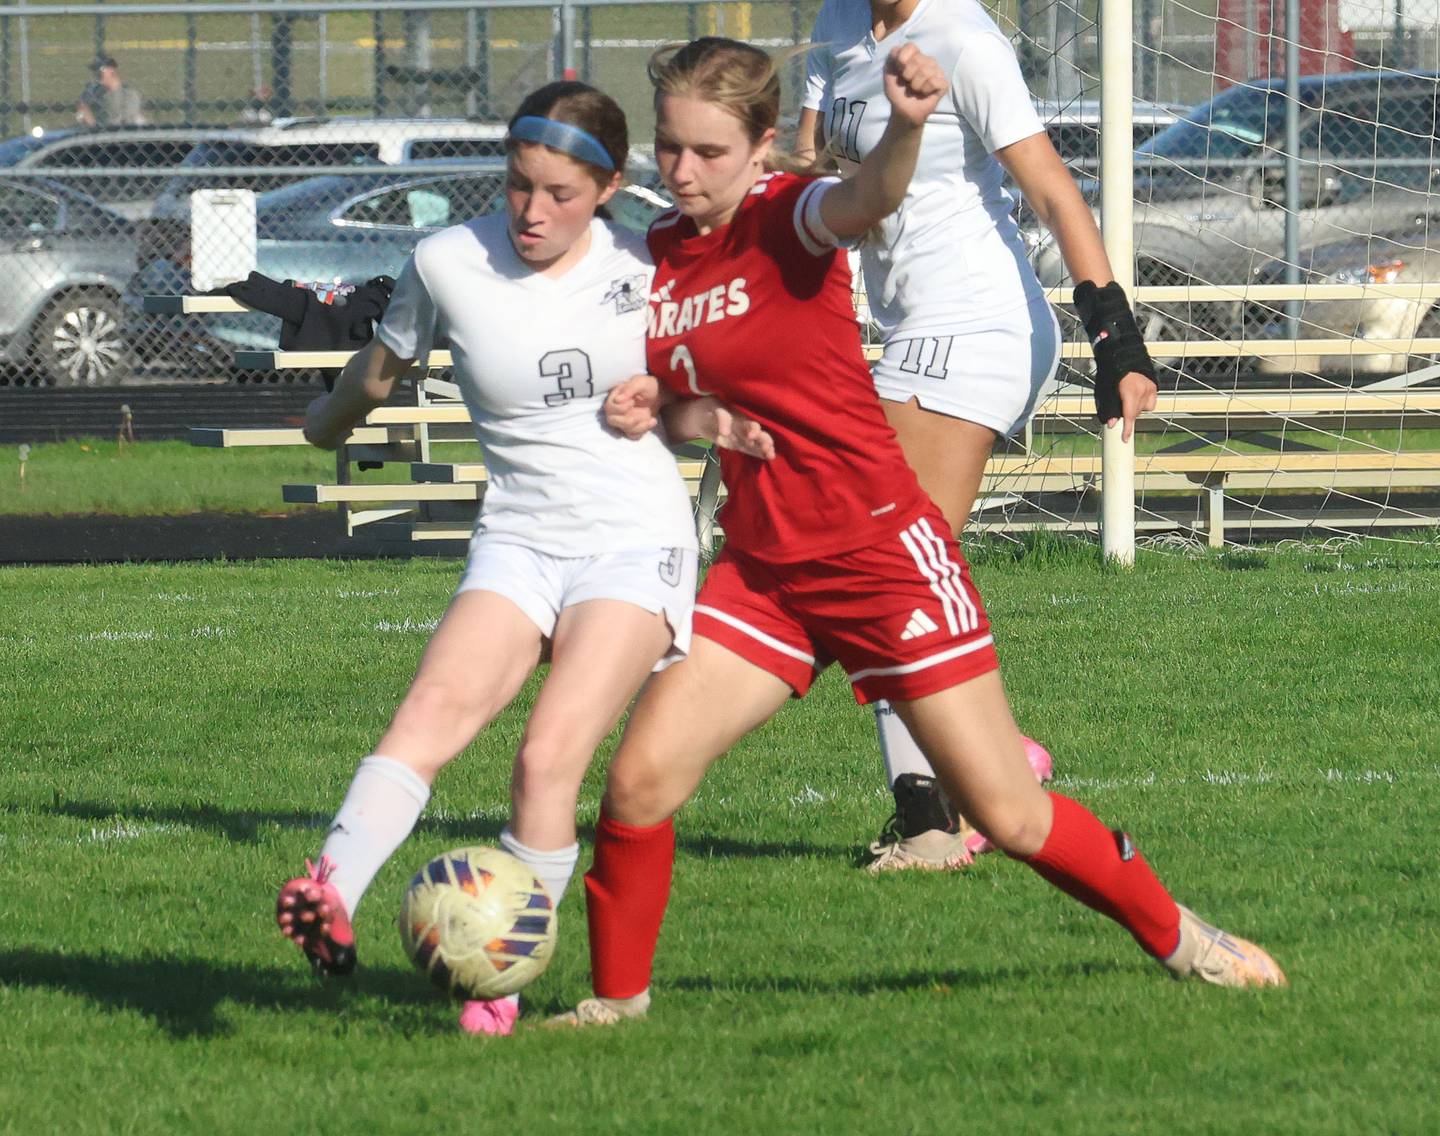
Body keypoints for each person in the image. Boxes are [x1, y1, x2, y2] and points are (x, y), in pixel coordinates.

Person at [552, 36, 1284, 1028]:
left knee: (1006, 812)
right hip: (765, 572)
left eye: (709, 152)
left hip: (882, 557)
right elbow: (677, 402)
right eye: (670, 149)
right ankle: (615, 1005)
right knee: (639, 780)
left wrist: (903, 124)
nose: (683, 172)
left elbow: (867, 201)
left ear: (765, 147)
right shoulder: (661, 264)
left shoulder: (788, 218)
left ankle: (1185, 938)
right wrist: (674, 413)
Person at [272, 79, 771, 1037]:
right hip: (519, 536)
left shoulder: (656, 259)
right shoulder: (449, 262)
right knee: (430, 710)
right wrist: (324, 424)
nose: (534, 212)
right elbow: (380, 370)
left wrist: (696, 415)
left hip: (633, 541)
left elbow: (730, 363)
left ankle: (499, 983)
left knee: (546, 763)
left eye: (561, 194)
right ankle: (329, 891)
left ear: (611, 188)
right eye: (517, 186)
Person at [796, 0, 1160, 873]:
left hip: (975, 329)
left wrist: (1116, 334)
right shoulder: (837, 22)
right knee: (887, 567)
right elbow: (809, 161)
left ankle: (931, 822)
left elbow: (1047, 186)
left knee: (877, 569)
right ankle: (993, 755)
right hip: (909, 332)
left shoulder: (966, 36)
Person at [76, 56, 147, 128]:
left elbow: (129, 121)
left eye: (100, 69)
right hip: (99, 134)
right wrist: (92, 124)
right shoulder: (92, 93)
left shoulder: (129, 94)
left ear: (111, 70)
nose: (96, 73)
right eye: (94, 70)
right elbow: (82, 111)